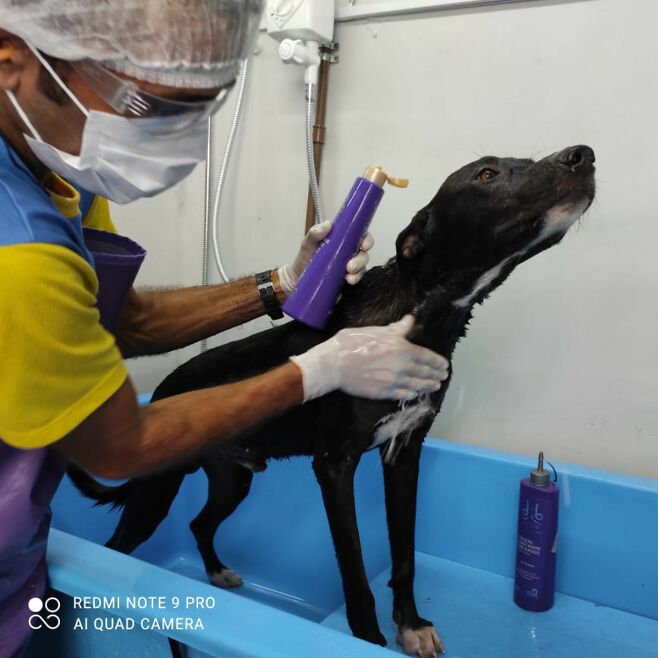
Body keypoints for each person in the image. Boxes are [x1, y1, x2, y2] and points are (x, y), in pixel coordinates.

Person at [0, 2, 449, 655]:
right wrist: (315, 371)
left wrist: (279, 285)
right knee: (32, 632)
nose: (171, 144)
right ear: (12, 60)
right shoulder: (19, 255)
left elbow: (120, 317)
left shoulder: (52, 157)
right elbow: (120, 448)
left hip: (23, 560)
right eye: (143, 108)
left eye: (197, 111)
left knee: (45, 622)